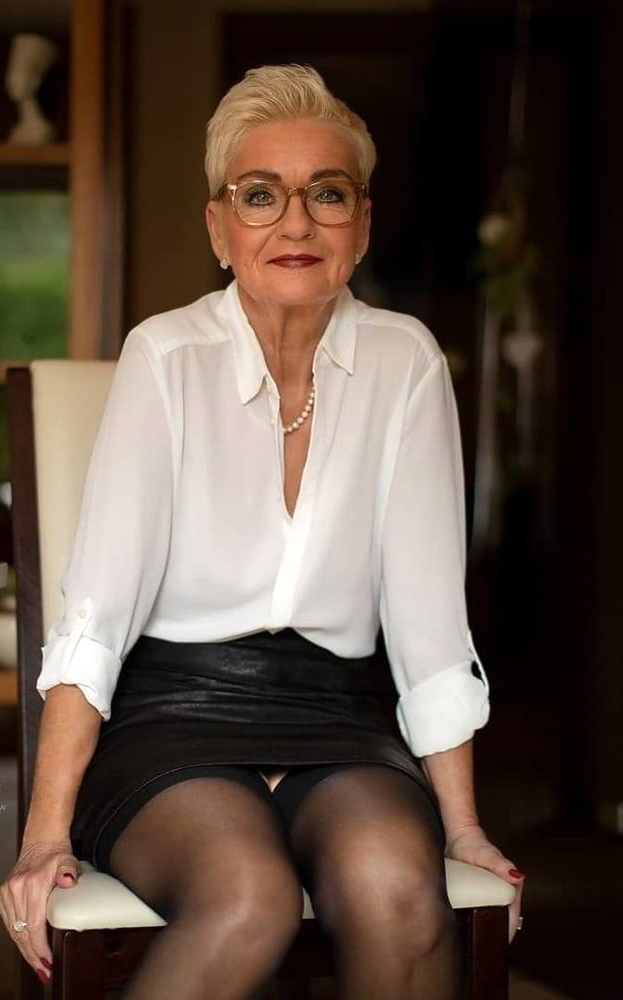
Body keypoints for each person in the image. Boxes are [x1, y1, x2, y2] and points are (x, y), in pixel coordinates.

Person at [0, 64, 524, 998]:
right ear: (219, 228)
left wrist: (463, 828)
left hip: (340, 720)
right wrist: (42, 837)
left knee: (399, 895)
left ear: (361, 224)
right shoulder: (167, 355)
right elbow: (96, 618)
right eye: (259, 195)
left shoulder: (405, 361)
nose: (295, 224)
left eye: (327, 194)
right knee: (248, 897)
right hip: (170, 717)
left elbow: (429, 625)